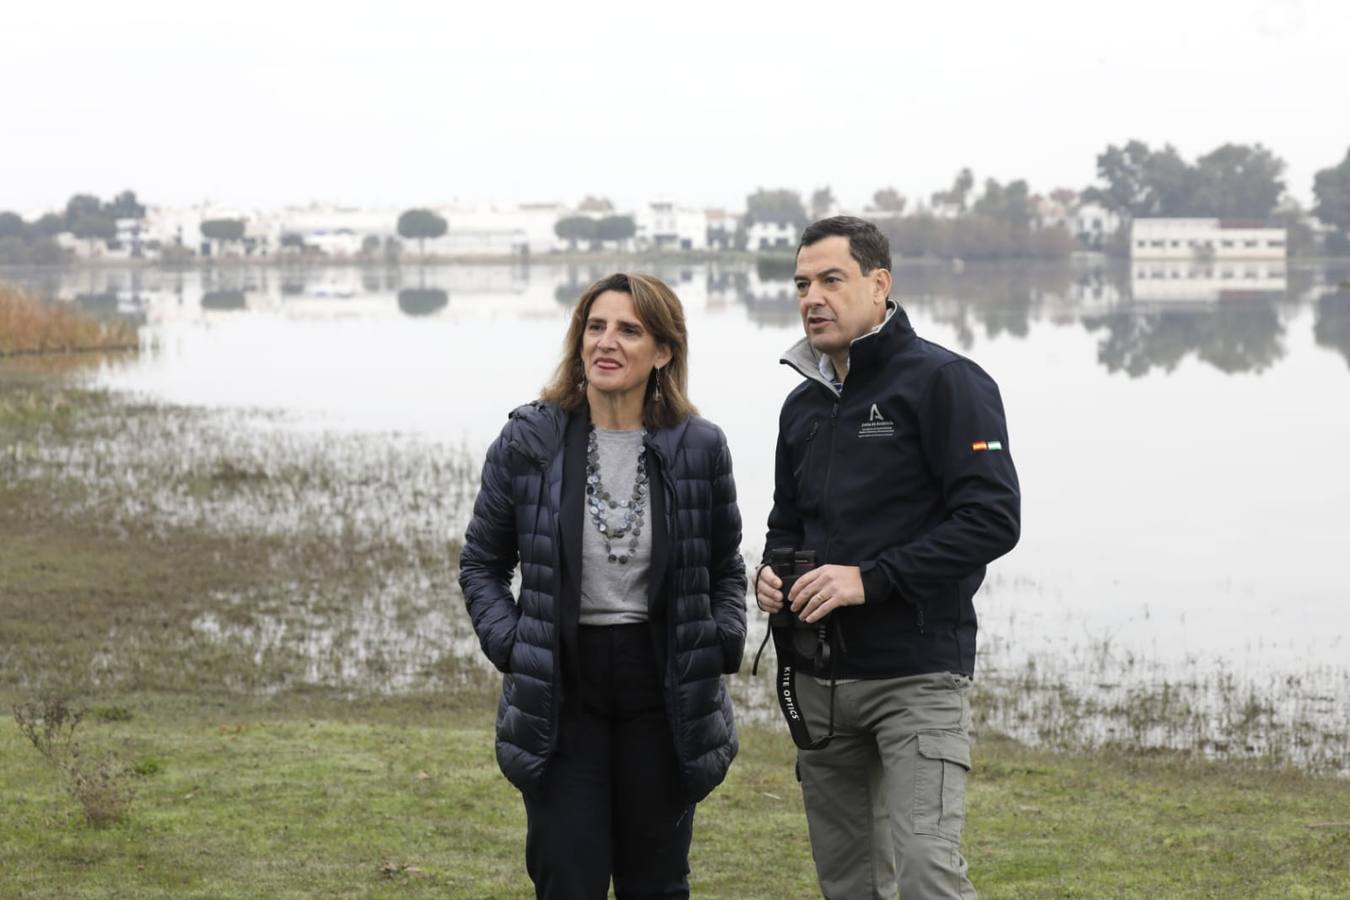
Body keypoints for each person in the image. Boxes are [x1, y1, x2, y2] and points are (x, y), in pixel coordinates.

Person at [755, 217, 1020, 899]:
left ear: (880, 285)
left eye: (831, 280)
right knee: (849, 884)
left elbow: (992, 520)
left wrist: (868, 581)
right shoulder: (800, 407)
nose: (812, 297)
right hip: (821, 680)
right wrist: (773, 574)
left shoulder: (947, 382)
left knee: (929, 875)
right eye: (802, 284)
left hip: (917, 677)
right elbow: (788, 522)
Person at [459, 272, 747, 899]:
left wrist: (723, 639)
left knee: (656, 884)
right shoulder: (530, 440)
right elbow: (481, 563)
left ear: (663, 352)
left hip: (663, 692)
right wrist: (513, 645)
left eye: (629, 330)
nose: (606, 342)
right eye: (595, 327)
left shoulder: (699, 446)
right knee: (568, 877)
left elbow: (727, 567)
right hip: (565, 693)